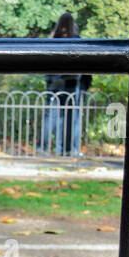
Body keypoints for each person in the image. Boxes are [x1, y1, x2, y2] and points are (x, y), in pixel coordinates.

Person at [42, 12, 92, 156]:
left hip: (52, 81)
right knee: (71, 116)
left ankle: (43, 148)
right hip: (70, 81)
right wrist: (86, 84)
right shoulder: (76, 40)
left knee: (50, 115)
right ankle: (68, 149)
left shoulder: (52, 40)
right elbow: (86, 64)